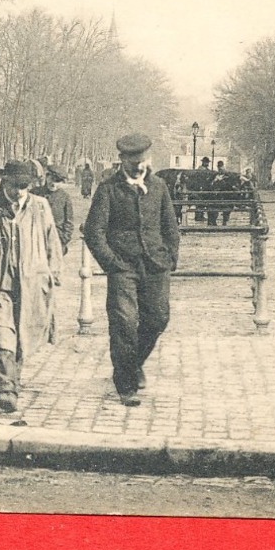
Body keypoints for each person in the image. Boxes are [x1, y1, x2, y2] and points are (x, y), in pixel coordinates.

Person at [82, 133, 179, 406]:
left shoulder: (159, 186)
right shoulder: (108, 189)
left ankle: (133, 364)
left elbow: (170, 226)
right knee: (124, 322)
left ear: (148, 159)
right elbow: (94, 231)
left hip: (156, 265)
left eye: (142, 161)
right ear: (122, 160)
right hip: (123, 266)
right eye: (133, 162)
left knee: (158, 318)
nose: (139, 167)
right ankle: (125, 384)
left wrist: (171, 256)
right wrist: (112, 263)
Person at [0, 160, 62, 415]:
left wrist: (54, 272)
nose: (19, 192)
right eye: (14, 186)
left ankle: (11, 382)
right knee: (0, 333)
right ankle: (5, 388)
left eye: (23, 187)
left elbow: (52, 240)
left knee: (22, 332)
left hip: (31, 279)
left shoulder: (40, 207)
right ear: (4, 182)